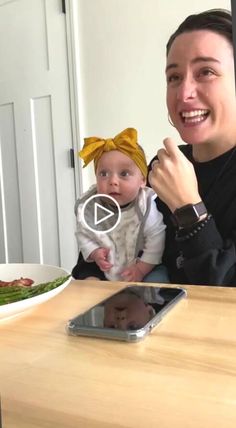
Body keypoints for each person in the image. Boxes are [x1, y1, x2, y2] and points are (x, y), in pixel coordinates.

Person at [148, 9, 236, 286]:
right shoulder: (162, 169)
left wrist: (188, 208)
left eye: (206, 72)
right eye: (174, 77)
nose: (184, 93)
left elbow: (225, 295)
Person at [72, 128, 167, 282]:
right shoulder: (93, 206)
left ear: (142, 180)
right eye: (104, 174)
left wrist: (141, 269)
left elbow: (156, 238)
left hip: (145, 265)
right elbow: (83, 234)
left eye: (124, 174)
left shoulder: (144, 205)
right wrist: (94, 252)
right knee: (88, 285)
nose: (113, 181)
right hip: (107, 268)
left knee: (159, 280)